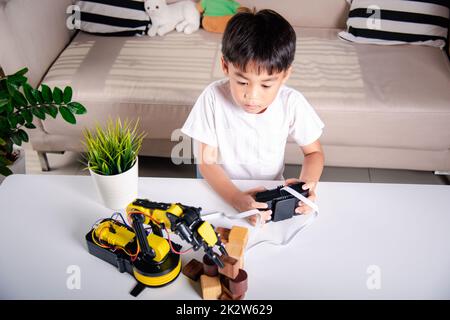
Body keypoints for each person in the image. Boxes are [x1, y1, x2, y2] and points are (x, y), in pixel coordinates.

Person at [181, 9, 325, 225]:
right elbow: (207, 162)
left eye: (266, 85)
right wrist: (236, 199)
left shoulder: (291, 102)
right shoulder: (212, 97)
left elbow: (314, 152)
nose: (252, 96)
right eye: (241, 82)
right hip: (222, 191)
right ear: (225, 66)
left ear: (285, 75)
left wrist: (306, 187)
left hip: (268, 195)